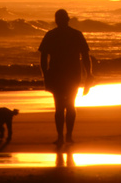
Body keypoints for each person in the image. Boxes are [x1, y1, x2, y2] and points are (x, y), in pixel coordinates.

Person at [38, 8, 91, 148]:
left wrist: (45, 74)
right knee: (70, 106)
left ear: (56, 21)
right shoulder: (76, 34)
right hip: (73, 74)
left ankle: (61, 136)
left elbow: (43, 57)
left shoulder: (50, 35)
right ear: (67, 19)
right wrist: (89, 74)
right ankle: (68, 136)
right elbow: (85, 56)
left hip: (56, 75)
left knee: (60, 107)